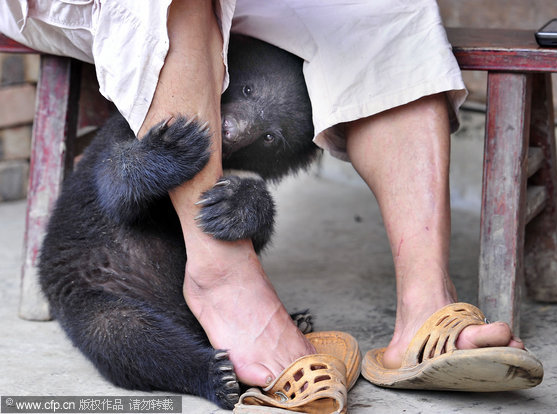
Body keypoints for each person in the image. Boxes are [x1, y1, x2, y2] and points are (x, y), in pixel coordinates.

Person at [1, 0, 527, 391]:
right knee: (115, 335)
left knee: (385, 6)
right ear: (230, 73)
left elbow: (258, 216)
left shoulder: (249, 177)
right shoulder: (132, 134)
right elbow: (116, 187)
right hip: (105, 286)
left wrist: (253, 208)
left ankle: (424, 309)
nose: (241, 130)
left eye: (268, 139)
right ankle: (220, 307)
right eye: (246, 94)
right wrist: (148, 162)